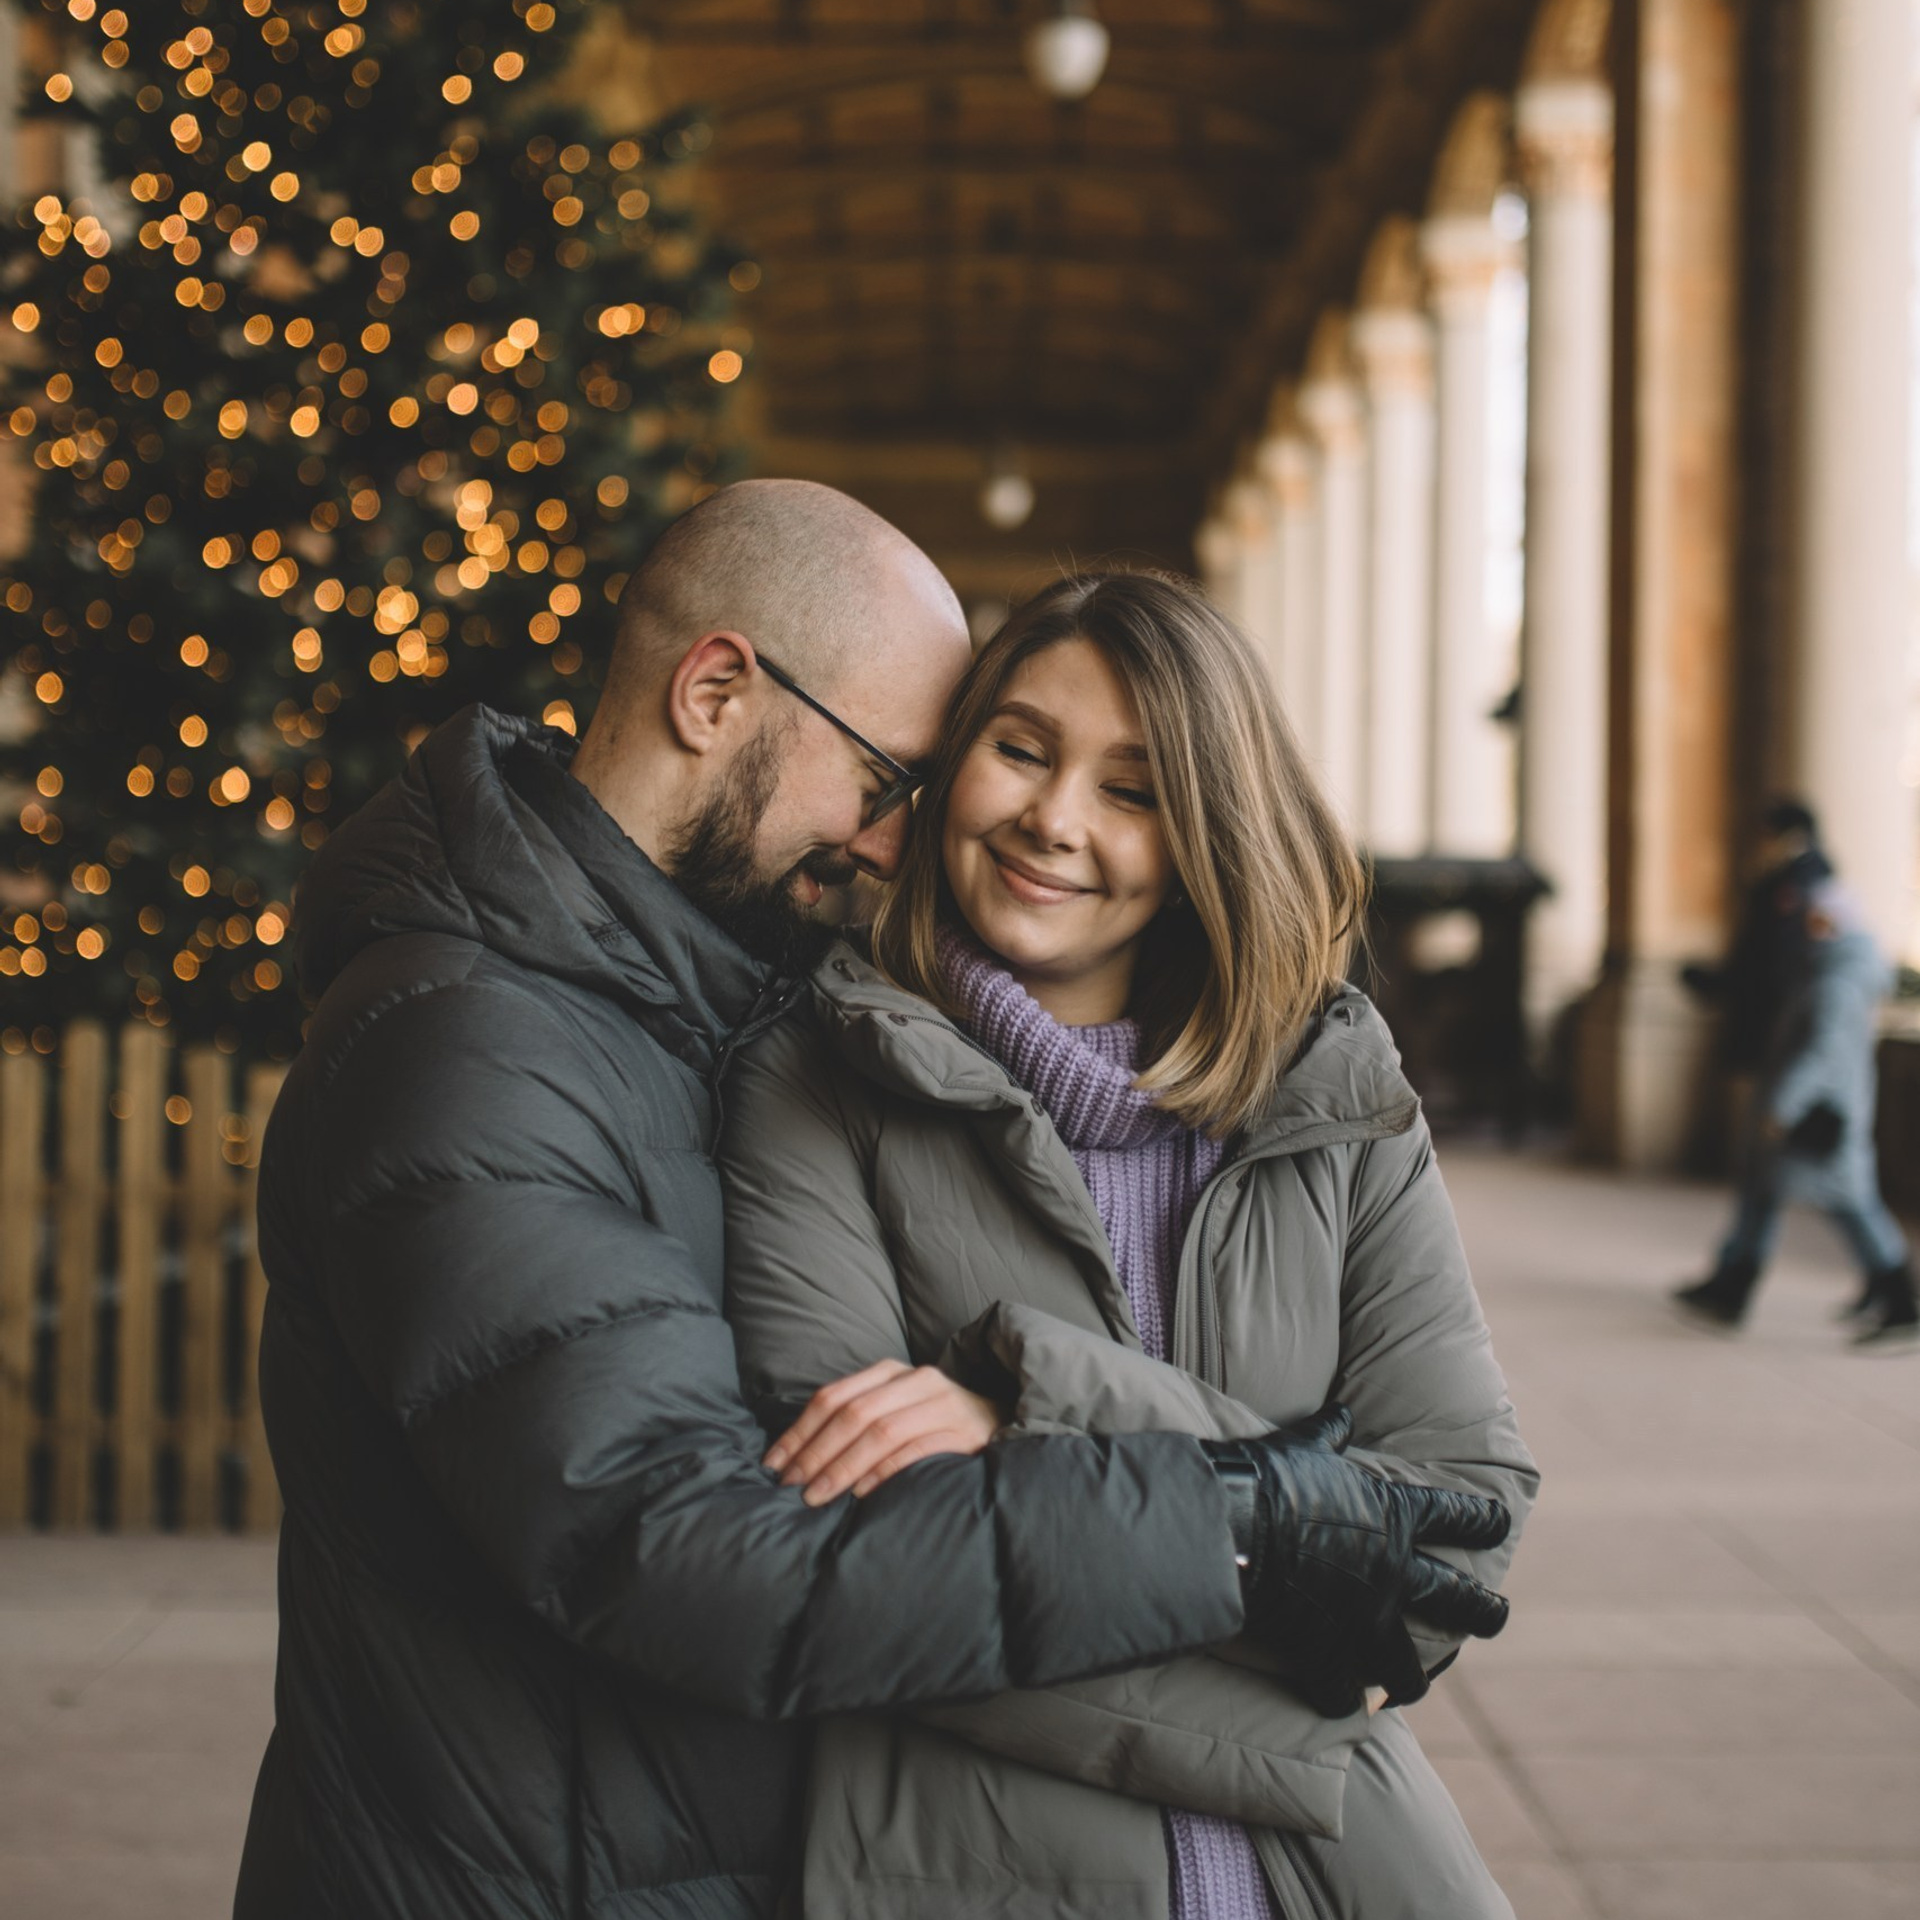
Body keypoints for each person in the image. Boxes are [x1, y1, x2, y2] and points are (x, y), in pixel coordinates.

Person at [234, 485, 1514, 1918]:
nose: (904, 842)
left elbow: (1452, 1537)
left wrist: (1066, 1426)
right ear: (718, 690)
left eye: (1135, 785)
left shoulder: (706, 994)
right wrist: (1260, 1535)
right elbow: (704, 1555)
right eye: (898, 775)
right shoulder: (474, 1048)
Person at [720, 571, 1539, 1919]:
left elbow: (1453, 1551)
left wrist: (1027, 1401)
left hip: (1341, 1881)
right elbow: (863, 1569)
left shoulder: (1331, 1085)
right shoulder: (815, 1081)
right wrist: (1293, 1537)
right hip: (984, 1867)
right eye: (1021, 750)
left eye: (1134, 788)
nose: (1053, 820)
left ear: (1204, 829)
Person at [1675, 800, 1917, 1350]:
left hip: (1815, 1115)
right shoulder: (1829, 973)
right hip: (1813, 1111)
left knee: (1852, 1206)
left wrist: (1782, 1109)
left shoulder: (1834, 983)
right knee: (1767, 1195)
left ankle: (1899, 1299)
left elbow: (1824, 1054)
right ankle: (1732, 1288)